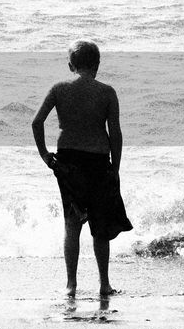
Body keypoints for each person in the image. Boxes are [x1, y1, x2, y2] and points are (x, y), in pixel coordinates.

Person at [32, 41, 132, 297]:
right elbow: (116, 134)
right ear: (97, 65)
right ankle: (104, 284)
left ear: (70, 66)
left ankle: (71, 285)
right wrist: (116, 168)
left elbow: (37, 122)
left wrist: (45, 155)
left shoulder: (59, 89)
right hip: (99, 161)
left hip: (68, 162)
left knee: (72, 223)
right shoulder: (107, 92)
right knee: (100, 226)